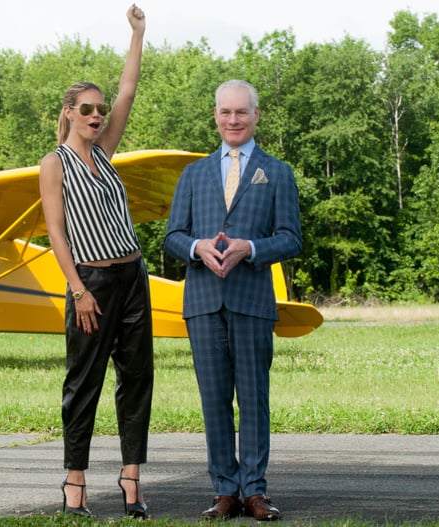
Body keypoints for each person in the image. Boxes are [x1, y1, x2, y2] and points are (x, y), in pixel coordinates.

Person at [163, 79, 302, 521]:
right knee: (214, 398)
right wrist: (197, 247)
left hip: (252, 300)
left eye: (242, 112)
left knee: (254, 398)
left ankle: (255, 491)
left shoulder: (277, 172)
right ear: (216, 116)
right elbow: (171, 237)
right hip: (203, 302)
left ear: (256, 115)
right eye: (226, 112)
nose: (233, 120)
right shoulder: (194, 174)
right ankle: (225, 491)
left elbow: (291, 239)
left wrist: (252, 248)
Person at [38, 3, 152, 520]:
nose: (97, 115)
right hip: (91, 281)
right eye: (86, 109)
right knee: (83, 382)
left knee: (137, 377)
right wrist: (78, 289)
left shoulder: (105, 151)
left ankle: (130, 480)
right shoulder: (53, 163)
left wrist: (137, 34)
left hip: (132, 276)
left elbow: (128, 90)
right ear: (67, 113)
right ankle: (74, 485)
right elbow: (56, 233)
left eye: (99, 109)